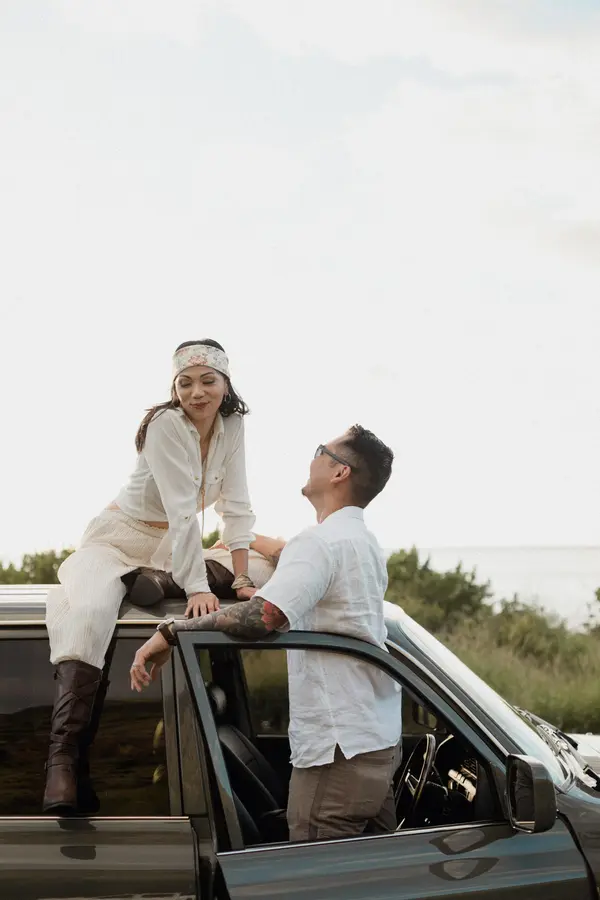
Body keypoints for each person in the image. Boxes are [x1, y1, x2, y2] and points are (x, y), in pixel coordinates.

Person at [131, 425, 402, 842]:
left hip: (336, 753)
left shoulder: (322, 544)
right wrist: (245, 539)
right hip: (373, 741)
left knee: (311, 870)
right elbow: (296, 558)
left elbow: (261, 617)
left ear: (339, 472)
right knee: (373, 870)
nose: (312, 457)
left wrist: (172, 632)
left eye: (321, 450)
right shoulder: (360, 541)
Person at [44, 339, 256, 815]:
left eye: (208, 381)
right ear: (174, 388)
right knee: (90, 613)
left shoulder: (233, 426)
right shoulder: (165, 425)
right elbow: (183, 511)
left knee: (266, 569)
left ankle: (159, 582)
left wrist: (242, 580)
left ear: (225, 384)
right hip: (118, 540)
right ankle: (63, 761)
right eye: (185, 383)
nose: (197, 392)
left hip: (169, 551)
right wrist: (197, 588)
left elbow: (237, 504)